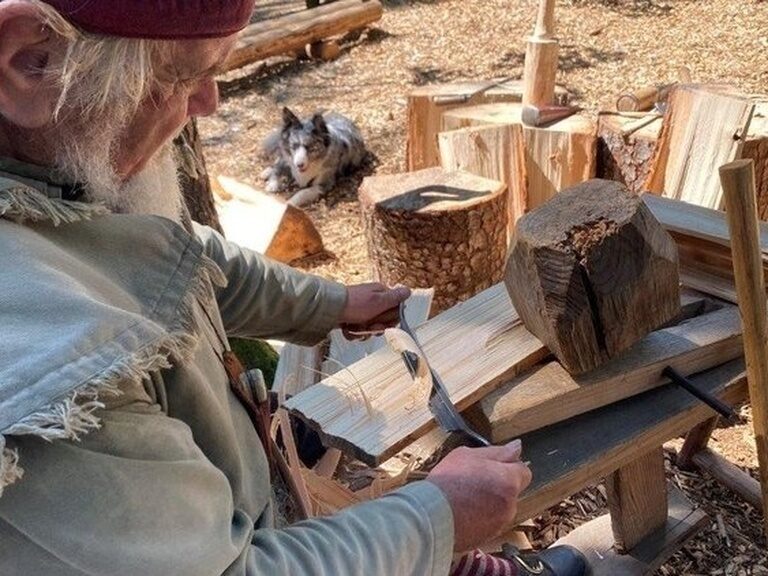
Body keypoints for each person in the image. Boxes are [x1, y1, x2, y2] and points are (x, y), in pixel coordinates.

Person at [0, 1, 584, 574]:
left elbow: (178, 258)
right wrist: (437, 518)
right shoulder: (52, 377)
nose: (209, 103)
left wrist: (331, 304)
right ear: (32, 62)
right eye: (184, 75)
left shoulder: (50, 173)